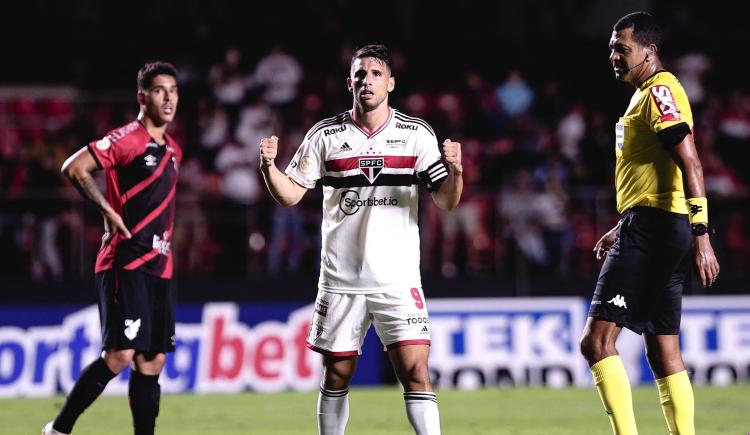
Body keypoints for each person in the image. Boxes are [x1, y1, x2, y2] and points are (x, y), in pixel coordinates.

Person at [259, 44, 462, 435]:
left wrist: (456, 171)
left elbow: (447, 200)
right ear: (349, 81)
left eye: (374, 73)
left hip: (398, 281)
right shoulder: (326, 135)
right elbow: (289, 195)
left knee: (417, 372)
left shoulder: (415, 134)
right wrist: (268, 166)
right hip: (341, 282)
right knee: (337, 375)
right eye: (359, 73)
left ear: (390, 82)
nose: (366, 80)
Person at [579, 12, 720, 435]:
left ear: (649, 51)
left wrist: (703, 233)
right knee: (663, 350)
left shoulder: (660, 91)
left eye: (622, 48)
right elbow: (656, 176)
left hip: (657, 228)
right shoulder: (644, 94)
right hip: (655, 224)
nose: (614, 56)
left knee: (597, 342)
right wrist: (624, 224)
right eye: (611, 48)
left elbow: (690, 162)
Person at [43, 62, 182, 435]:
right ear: (142, 97)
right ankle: (58, 430)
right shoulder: (128, 139)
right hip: (126, 260)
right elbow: (74, 167)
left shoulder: (173, 150)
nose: (168, 97)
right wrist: (106, 209)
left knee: (152, 362)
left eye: (173, 90)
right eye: (158, 90)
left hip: (160, 266)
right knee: (120, 355)